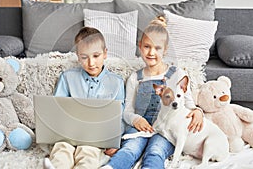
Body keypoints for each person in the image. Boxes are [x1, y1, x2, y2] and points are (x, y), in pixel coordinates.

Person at [101, 16, 204, 169]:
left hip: (167, 129)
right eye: (147, 46)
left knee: (155, 151)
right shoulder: (135, 78)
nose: (151, 52)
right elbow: (127, 110)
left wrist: (198, 111)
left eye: (157, 48)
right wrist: (136, 119)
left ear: (165, 49)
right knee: (130, 149)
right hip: (141, 126)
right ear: (140, 46)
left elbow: (188, 104)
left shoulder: (177, 74)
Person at [43, 27, 125, 169]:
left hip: (95, 139)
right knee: (62, 149)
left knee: (88, 153)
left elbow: (119, 117)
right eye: (84, 57)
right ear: (78, 56)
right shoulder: (68, 77)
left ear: (105, 53)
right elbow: (56, 109)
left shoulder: (116, 82)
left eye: (96, 56)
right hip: (68, 134)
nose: (91, 63)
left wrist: (114, 142)